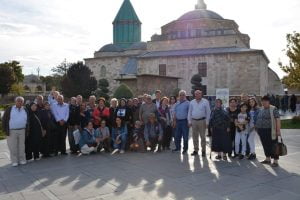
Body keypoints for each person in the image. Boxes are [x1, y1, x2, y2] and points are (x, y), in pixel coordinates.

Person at [2, 97, 28, 167]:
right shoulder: (10, 109)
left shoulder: (25, 109)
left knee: (22, 146)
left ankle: (22, 159)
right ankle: (14, 161)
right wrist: (5, 129)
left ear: (23, 102)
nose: (20, 102)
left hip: (22, 130)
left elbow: (28, 120)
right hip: (12, 130)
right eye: (18, 101)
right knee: (13, 147)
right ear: (15, 102)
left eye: (21, 101)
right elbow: (4, 119)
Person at [256, 95, 281, 167]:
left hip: (271, 130)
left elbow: (277, 119)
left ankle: (275, 161)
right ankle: (267, 159)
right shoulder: (261, 109)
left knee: (274, 145)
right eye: (262, 101)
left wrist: (278, 130)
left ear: (269, 101)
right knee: (265, 145)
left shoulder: (273, 108)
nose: (263, 102)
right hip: (261, 130)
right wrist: (258, 128)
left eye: (265, 101)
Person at [188, 90, 211, 157]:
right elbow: (189, 112)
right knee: (194, 137)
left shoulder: (205, 102)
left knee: (202, 137)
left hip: (202, 121)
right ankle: (196, 150)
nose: (198, 95)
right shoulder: (192, 102)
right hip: (194, 121)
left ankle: (203, 151)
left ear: (201, 94)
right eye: (196, 94)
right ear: (194, 95)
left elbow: (208, 112)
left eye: (199, 94)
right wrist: (189, 121)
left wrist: (207, 122)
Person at [173, 90, 190, 154]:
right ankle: (178, 148)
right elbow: (175, 113)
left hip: (185, 122)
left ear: (185, 96)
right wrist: (174, 121)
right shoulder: (176, 103)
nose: (182, 96)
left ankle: (185, 149)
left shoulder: (188, 103)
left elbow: (189, 113)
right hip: (178, 122)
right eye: (180, 95)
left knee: (185, 136)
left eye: (183, 95)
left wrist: (189, 121)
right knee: (177, 136)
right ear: (179, 96)